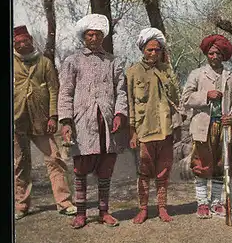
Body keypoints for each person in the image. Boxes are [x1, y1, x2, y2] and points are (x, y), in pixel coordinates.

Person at [58, 14, 128, 229]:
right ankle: (80, 213)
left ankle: (104, 212)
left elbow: (121, 91)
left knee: (105, 168)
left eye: (98, 34)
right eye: (90, 34)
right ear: (84, 37)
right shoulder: (72, 61)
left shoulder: (113, 62)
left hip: (106, 121)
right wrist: (66, 121)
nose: (94, 38)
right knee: (80, 169)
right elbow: (66, 92)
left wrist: (119, 114)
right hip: (83, 121)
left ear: (103, 37)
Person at [181, 34, 232, 218]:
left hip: (224, 126)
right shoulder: (197, 74)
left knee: (221, 164)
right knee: (202, 164)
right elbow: (186, 99)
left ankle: (216, 202)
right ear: (206, 54)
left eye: (219, 53)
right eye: (211, 53)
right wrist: (206, 95)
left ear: (224, 55)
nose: (215, 57)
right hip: (203, 126)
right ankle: (202, 203)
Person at [13, 25, 76, 220]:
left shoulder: (44, 62)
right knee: (20, 164)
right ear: (14, 43)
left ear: (31, 39)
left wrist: (53, 116)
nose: (23, 44)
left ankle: (64, 202)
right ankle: (21, 205)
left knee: (54, 159)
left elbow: (54, 89)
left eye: (26, 40)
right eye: (18, 42)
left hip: (42, 121)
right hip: (17, 121)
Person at [126, 28, 184, 224]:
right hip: (144, 130)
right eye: (149, 50)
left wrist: (167, 69)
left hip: (165, 129)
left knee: (163, 172)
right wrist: (132, 132)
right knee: (143, 172)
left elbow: (176, 98)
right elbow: (130, 104)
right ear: (142, 49)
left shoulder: (167, 70)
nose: (153, 53)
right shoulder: (133, 72)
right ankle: (143, 209)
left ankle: (162, 208)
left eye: (157, 50)